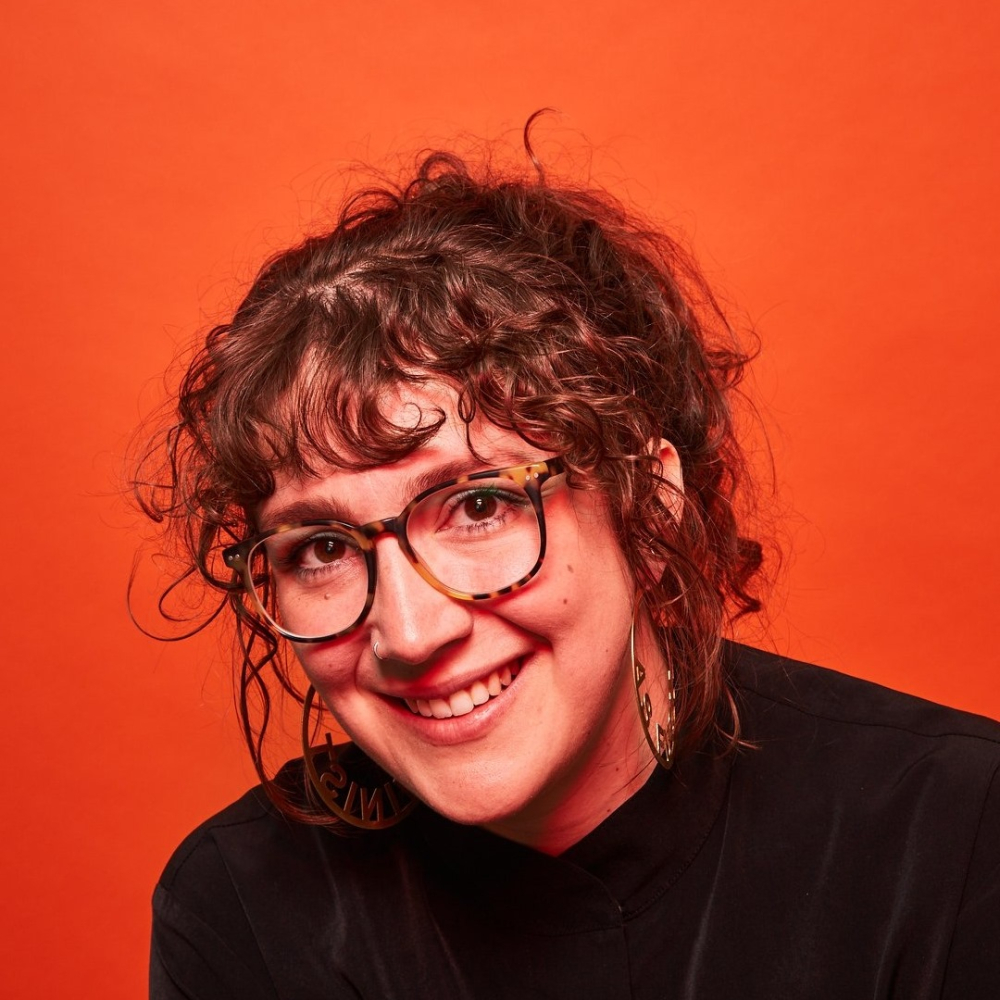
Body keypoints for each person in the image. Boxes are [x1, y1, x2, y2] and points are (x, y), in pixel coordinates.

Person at [137, 137, 1000, 999]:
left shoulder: (955, 834)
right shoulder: (241, 913)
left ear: (648, 505)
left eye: (480, 506)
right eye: (322, 549)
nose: (410, 633)